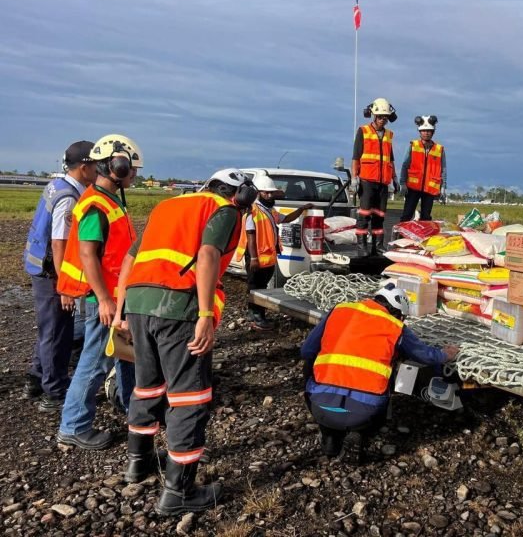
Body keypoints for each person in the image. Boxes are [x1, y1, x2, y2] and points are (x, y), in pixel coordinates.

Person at [113, 168, 257, 515]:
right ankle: (178, 492)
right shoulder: (223, 210)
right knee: (190, 397)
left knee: (147, 387)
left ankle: (139, 463)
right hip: (177, 307)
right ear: (239, 194)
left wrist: (120, 312)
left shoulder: (167, 207)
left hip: (138, 304)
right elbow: (207, 255)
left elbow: (131, 258)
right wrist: (205, 315)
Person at [301, 283, 459, 463]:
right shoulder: (395, 326)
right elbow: (424, 355)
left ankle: (329, 436)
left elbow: (306, 350)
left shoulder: (340, 310)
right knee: (388, 372)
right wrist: (445, 354)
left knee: (310, 364)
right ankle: (359, 432)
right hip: (364, 413)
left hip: (320, 406)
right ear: (397, 311)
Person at [56, 134, 143, 449]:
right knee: (95, 362)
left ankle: (132, 407)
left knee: (126, 354)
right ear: (115, 166)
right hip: (103, 299)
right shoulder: (95, 205)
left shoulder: (108, 200)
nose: (135, 174)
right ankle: (74, 425)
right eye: (131, 169)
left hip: (116, 296)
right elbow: (88, 254)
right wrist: (105, 299)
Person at [23, 141, 97, 411]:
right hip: (51, 272)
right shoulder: (69, 197)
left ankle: (35, 379)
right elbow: (59, 244)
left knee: (48, 329)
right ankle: (53, 392)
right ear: (85, 167)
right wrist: (65, 285)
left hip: (41, 267)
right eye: (96, 165)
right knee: (57, 332)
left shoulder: (57, 185)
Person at [234, 175, 313, 329]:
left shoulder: (270, 210)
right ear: (258, 193)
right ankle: (255, 317)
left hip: (267, 257)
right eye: (265, 193)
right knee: (255, 287)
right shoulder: (252, 210)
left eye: (271, 193)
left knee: (262, 287)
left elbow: (286, 219)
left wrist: (301, 209)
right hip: (256, 257)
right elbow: (250, 235)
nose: (269, 195)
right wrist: (254, 258)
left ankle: (259, 316)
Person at [351, 97, 400, 256]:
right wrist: (354, 177)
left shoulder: (389, 135)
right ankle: (362, 248)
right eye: (379, 117)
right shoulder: (363, 131)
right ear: (373, 116)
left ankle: (378, 247)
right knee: (364, 216)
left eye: (385, 117)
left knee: (379, 217)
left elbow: (390, 158)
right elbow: (356, 156)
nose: (382, 120)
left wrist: (394, 178)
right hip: (367, 181)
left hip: (383, 182)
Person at [399, 115, 447, 222]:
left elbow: (443, 170)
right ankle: (401, 237)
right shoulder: (413, 145)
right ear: (420, 132)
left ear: (433, 132)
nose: (426, 133)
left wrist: (443, 188)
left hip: (429, 189)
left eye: (429, 130)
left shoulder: (439, 149)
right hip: (413, 188)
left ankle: (423, 238)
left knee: (426, 217)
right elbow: (404, 165)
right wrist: (403, 183)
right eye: (424, 130)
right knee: (407, 215)